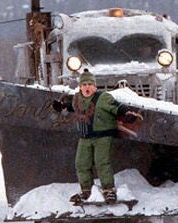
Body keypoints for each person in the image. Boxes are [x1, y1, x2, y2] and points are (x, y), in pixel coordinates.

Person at [53, 69, 140, 204]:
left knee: (102, 162)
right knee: (81, 163)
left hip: (103, 136)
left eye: (89, 84)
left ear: (94, 86)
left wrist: (128, 113)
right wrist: (62, 106)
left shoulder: (103, 97)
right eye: (84, 84)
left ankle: (108, 190)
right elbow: (74, 107)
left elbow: (117, 107)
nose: (87, 87)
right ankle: (86, 190)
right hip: (85, 137)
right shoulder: (77, 99)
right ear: (80, 86)